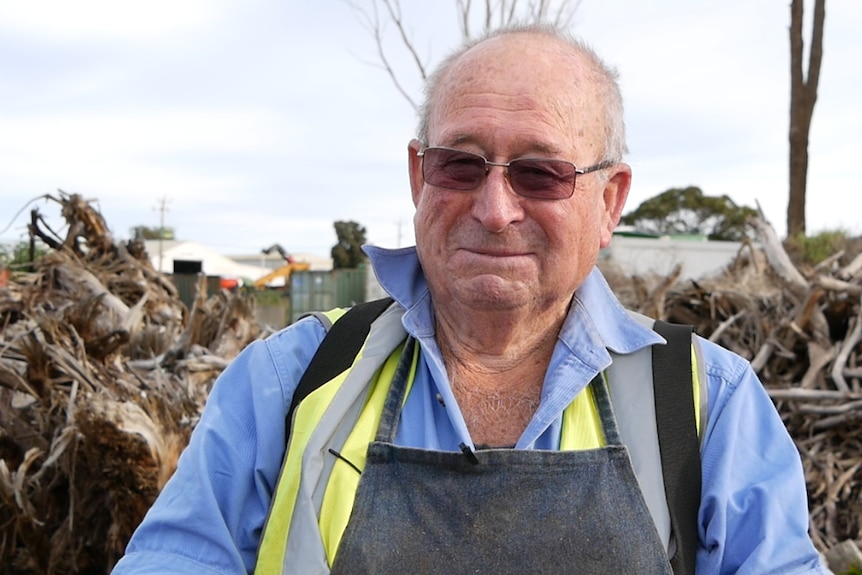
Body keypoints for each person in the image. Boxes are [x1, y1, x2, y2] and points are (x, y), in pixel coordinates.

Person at [113, 24, 829, 575]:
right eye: (460, 164)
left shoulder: (708, 406)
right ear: (418, 173)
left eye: (539, 173)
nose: (493, 207)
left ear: (609, 202)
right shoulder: (287, 383)